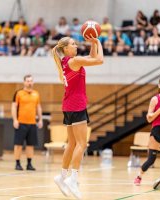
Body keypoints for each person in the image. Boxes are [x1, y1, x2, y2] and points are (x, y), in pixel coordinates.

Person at [51, 35, 103, 199]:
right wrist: (99, 42)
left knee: (72, 143)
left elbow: (91, 57)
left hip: (68, 106)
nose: (76, 45)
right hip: (77, 105)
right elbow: (99, 60)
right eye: (73, 44)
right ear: (65, 49)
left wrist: (93, 43)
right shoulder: (74, 61)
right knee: (82, 143)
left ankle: (61, 176)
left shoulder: (66, 62)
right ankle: (73, 179)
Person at [134, 77, 160, 186]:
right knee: (151, 159)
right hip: (157, 129)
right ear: (159, 86)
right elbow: (149, 118)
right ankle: (139, 176)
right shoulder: (155, 99)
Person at [12, 74, 43, 171]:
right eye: (27, 81)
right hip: (21, 123)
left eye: (31, 81)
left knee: (30, 145)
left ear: (33, 82)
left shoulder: (36, 94)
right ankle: (17, 163)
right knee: (18, 145)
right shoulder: (18, 93)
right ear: (24, 82)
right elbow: (14, 107)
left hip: (32, 123)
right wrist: (15, 120)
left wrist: (40, 119)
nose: (29, 82)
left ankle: (29, 164)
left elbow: (38, 107)